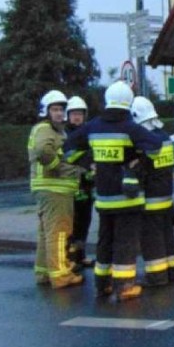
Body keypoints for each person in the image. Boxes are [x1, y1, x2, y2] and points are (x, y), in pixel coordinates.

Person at [64, 81, 162, 301]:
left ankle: (103, 284)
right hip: (127, 199)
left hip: (104, 199)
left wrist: (91, 162)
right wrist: (137, 160)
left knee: (104, 241)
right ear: (128, 102)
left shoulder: (93, 127)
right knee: (125, 242)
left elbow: (68, 151)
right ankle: (125, 286)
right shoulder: (130, 127)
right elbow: (156, 147)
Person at [27, 90, 84, 289]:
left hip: (50, 189)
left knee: (46, 233)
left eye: (61, 110)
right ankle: (61, 275)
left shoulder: (55, 130)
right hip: (55, 190)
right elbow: (43, 151)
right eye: (55, 109)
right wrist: (60, 168)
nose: (59, 114)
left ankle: (44, 272)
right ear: (46, 111)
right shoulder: (45, 129)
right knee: (59, 233)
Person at [131, 96, 174, 286]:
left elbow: (140, 170)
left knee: (152, 240)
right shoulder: (165, 137)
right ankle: (172, 272)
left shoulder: (144, 141)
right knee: (167, 236)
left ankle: (157, 276)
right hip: (166, 197)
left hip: (150, 198)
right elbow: (172, 167)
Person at [65, 96, 94, 269]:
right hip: (71, 188)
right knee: (71, 227)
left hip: (87, 186)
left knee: (85, 223)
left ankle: (80, 256)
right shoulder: (65, 136)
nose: (77, 117)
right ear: (68, 116)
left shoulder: (88, 134)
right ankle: (70, 259)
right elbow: (69, 159)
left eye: (80, 114)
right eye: (74, 114)